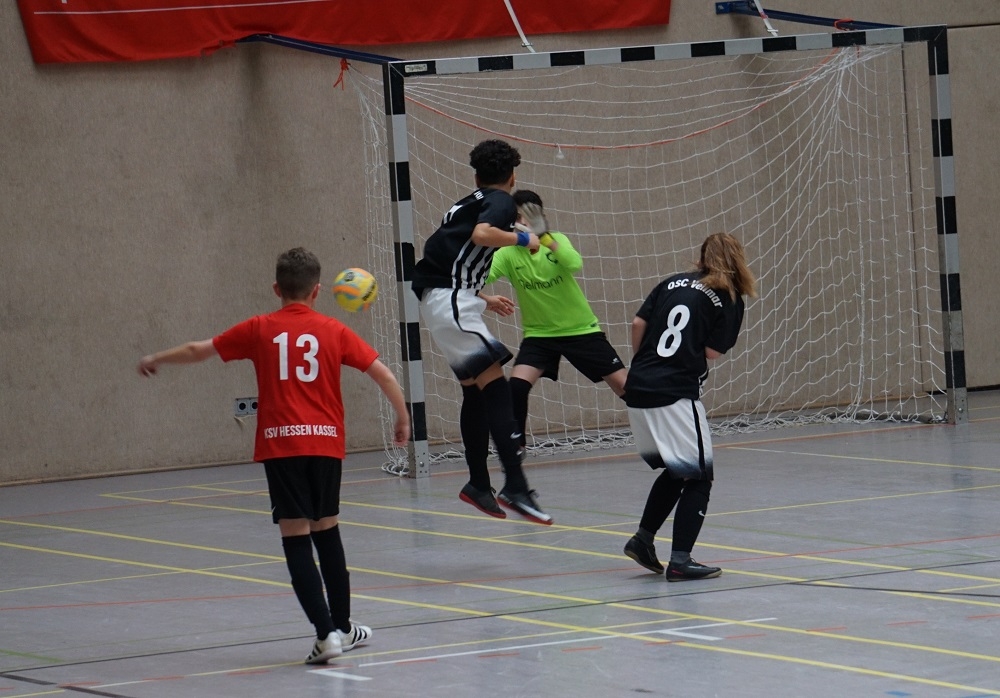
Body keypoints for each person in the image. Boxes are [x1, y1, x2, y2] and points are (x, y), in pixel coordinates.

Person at [137, 247, 411, 663]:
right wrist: (403, 417)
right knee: (327, 530)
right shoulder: (334, 330)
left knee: (296, 536)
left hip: (282, 445)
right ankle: (340, 627)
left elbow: (198, 349)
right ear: (317, 291)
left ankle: (328, 634)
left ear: (276, 288)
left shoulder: (259, 328)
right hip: (325, 443)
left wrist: (157, 358)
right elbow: (383, 373)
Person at [411, 139, 552, 525]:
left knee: (475, 391)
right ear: (513, 176)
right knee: (497, 390)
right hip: (451, 302)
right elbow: (482, 235)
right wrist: (525, 237)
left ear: (476, 176)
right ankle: (516, 486)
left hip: (445, 299)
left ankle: (477, 483)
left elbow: (448, 253)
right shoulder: (501, 200)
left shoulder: (464, 202)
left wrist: (482, 297)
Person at [622, 233, 756, 581]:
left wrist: (646, 364)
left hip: (638, 386)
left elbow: (637, 324)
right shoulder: (728, 296)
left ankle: (642, 540)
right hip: (674, 391)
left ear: (702, 257)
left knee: (676, 469)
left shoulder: (671, 282)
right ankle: (680, 560)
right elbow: (712, 352)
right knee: (699, 476)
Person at [481, 189, 627, 451]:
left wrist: (546, 238)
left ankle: (662, 426)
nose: (522, 222)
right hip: (539, 335)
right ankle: (516, 449)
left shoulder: (556, 240)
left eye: (528, 216)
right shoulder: (507, 253)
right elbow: (476, 279)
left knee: (625, 387)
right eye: (517, 217)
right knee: (516, 387)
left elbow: (574, 263)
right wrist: (486, 298)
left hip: (581, 330)